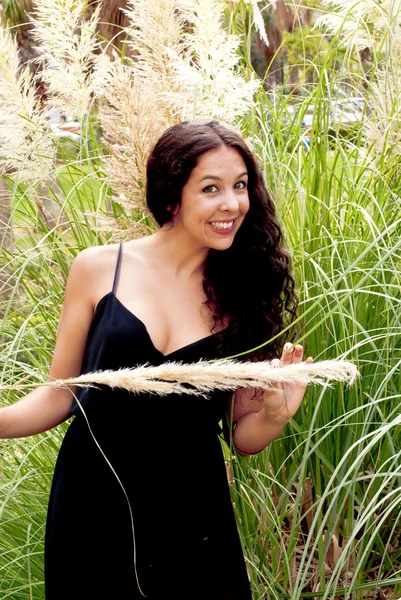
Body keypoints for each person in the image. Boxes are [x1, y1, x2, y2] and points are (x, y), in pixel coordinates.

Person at [0, 120, 313, 599]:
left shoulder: (247, 294)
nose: (232, 204)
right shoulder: (99, 267)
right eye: (211, 188)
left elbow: (244, 436)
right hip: (92, 496)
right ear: (172, 194)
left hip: (192, 507)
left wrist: (274, 414)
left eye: (240, 186)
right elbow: (58, 397)